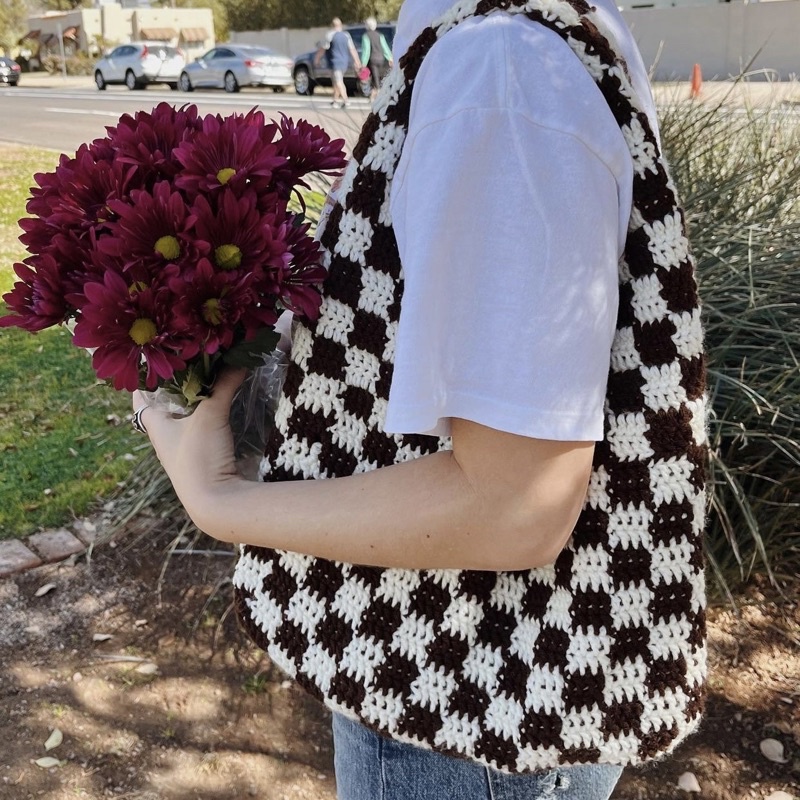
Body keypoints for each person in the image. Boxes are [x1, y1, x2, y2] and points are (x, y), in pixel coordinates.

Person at [131, 0, 708, 798]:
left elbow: (514, 504)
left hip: (469, 697)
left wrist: (217, 500)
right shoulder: (497, 39)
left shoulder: (498, 70)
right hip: (469, 669)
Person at [314, 17, 362, 108]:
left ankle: (346, 100)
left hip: (335, 62)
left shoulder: (330, 35)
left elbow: (323, 48)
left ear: (332, 25)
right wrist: (357, 61)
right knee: (336, 81)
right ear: (340, 25)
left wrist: (317, 59)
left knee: (339, 81)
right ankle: (335, 100)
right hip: (344, 62)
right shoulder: (346, 35)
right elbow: (352, 49)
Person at [360, 16, 393, 100]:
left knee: (374, 78)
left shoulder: (366, 36)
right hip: (381, 59)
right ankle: (375, 94)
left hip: (372, 60)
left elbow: (366, 50)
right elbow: (384, 47)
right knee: (378, 77)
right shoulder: (380, 35)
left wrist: (363, 63)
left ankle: (375, 95)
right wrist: (390, 58)